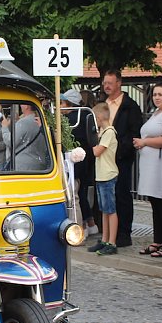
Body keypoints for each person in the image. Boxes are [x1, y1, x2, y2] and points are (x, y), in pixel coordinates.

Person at [133, 82, 162, 257]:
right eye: (155, 94)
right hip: (150, 163)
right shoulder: (155, 113)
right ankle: (158, 239)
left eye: (161, 94)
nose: (157, 97)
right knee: (155, 203)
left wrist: (145, 142)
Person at [102, 70, 142, 247]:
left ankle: (124, 232)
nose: (106, 86)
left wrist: (119, 151)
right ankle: (108, 234)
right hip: (104, 158)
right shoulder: (103, 104)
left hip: (121, 158)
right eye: (104, 83)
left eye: (110, 83)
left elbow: (134, 132)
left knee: (122, 194)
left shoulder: (130, 106)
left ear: (119, 83)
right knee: (106, 197)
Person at [61, 89, 95, 236]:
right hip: (85, 162)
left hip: (75, 164)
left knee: (75, 196)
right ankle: (89, 223)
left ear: (69, 104)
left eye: (61, 103)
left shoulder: (72, 120)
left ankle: (80, 228)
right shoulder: (86, 116)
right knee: (81, 194)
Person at [87, 103, 119, 255]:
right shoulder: (103, 132)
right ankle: (105, 239)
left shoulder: (109, 132)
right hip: (101, 175)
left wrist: (92, 140)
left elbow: (97, 151)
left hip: (108, 174)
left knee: (110, 210)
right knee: (104, 210)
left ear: (98, 118)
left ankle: (112, 241)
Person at [0, 103, 48, 171]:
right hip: (40, 164)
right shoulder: (41, 121)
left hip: (23, 166)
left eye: (22, 104)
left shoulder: (24, 122)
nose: (20, 106)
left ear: (26, 106)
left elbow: (10, 141)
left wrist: (4, 127)